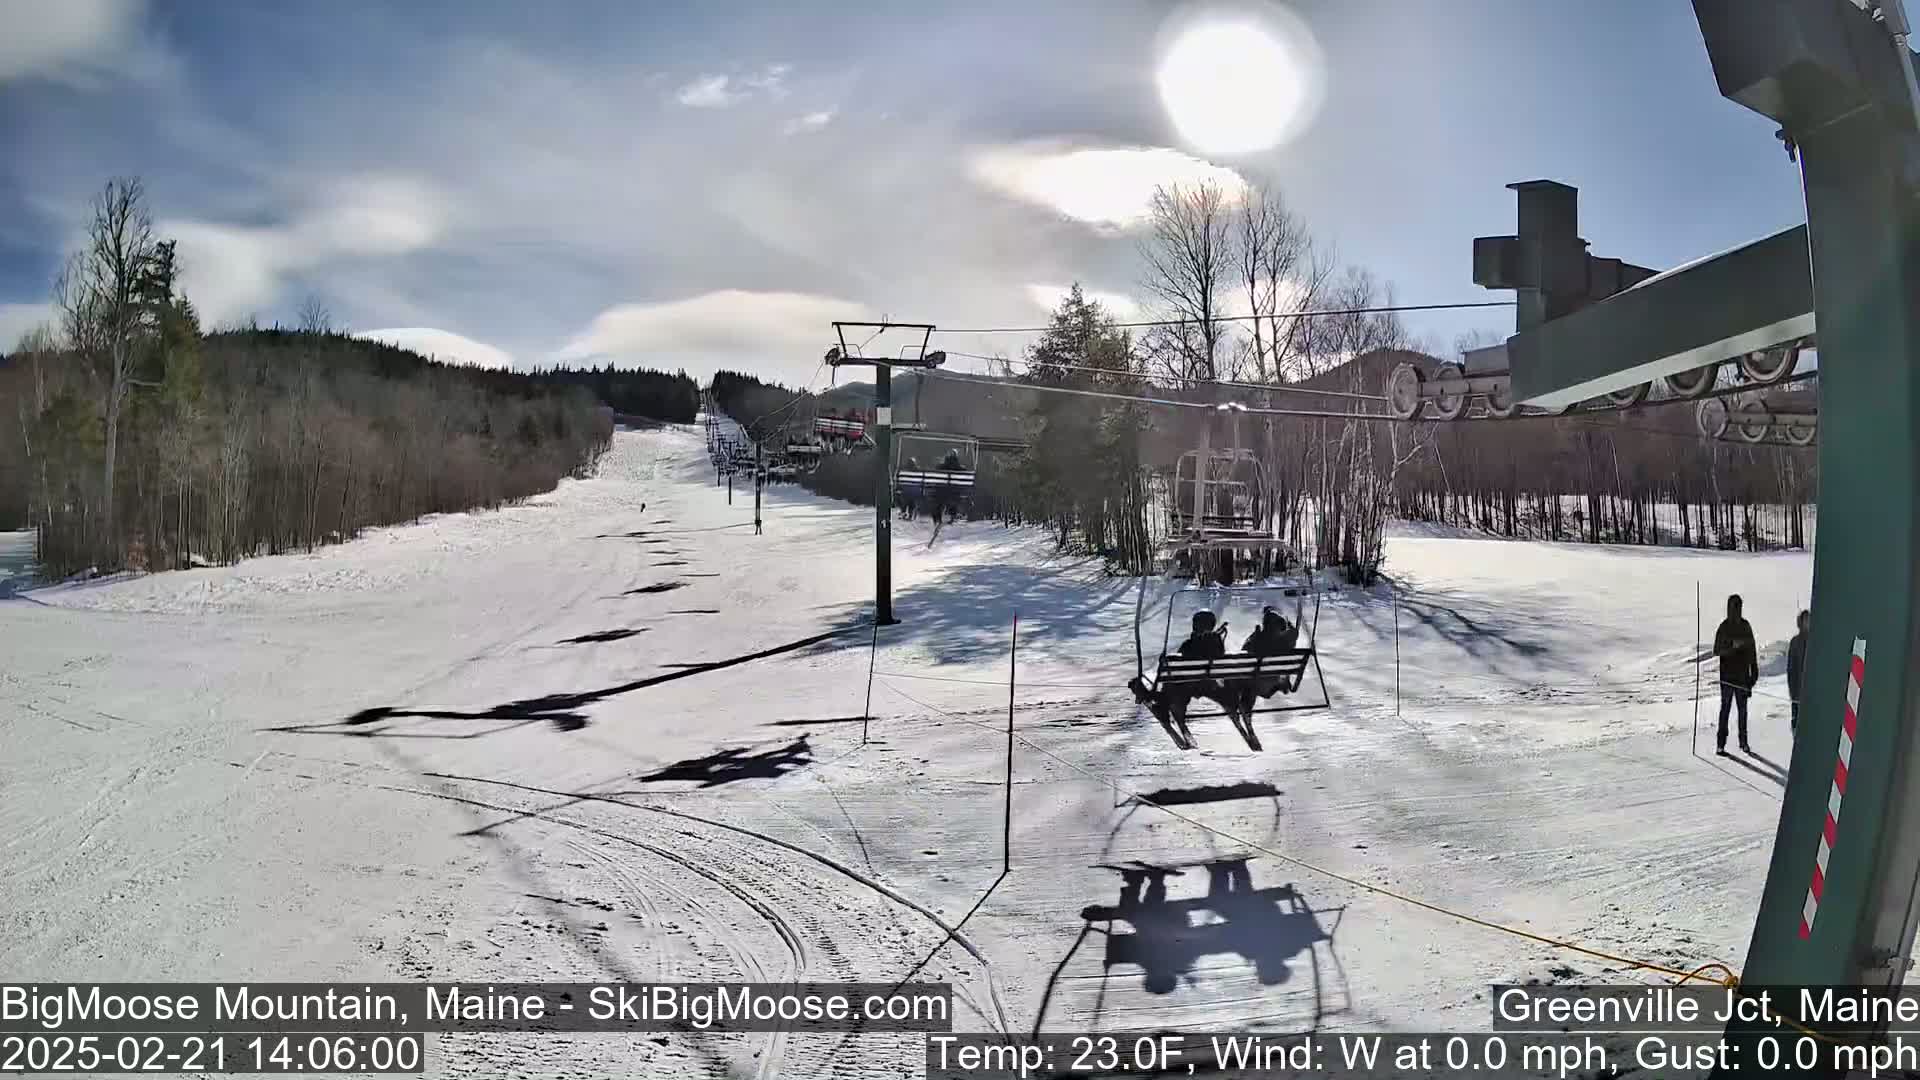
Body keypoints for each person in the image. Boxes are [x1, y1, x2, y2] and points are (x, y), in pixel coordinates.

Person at [1233, 604, 1302, 715]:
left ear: (1265, 625)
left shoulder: (1258, 639)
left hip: (1258, 683)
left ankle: (1244, 710)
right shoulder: (1286, 639)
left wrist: (1254, 634)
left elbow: (1245, 650)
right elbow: (1294, 632)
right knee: (1251, 681)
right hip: (1276, 681)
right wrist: (1289, 624)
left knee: (1248, 682)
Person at [1713, 593, 1759, 755]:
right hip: (1727, 677)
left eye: (1738, 606)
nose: (1736, 610)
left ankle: (1743, 742)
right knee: (1725, 709)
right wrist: (1732, 646)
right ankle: (1721, 744)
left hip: (1742, 677)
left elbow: (1752, 650)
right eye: (1733, 606)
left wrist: (1754, 673)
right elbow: (1717, 650)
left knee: (1743, 711)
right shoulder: (1723, 627)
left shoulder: (1746, 626)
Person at [1787, 609, 1810, 736]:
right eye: (1805, 620)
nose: (1808, 623)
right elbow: (1791, 668)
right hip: (1798, 689)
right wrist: (1793, 690)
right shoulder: (1795, 642)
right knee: (1797, 719)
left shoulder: (1815, 641)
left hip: (1811, 691)